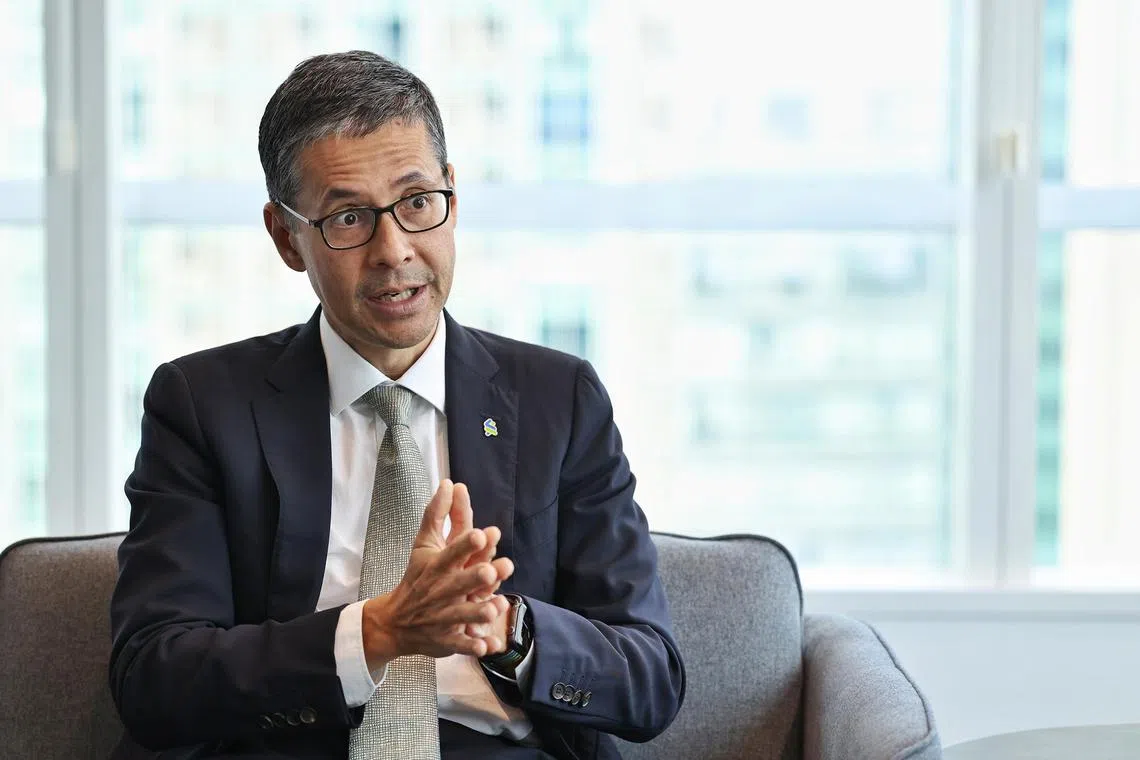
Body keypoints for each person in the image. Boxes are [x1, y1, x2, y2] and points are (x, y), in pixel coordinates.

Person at [108, 50, 685, 760]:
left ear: (451, 196)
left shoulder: (557, 399)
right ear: (286, 236)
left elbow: (650, 678)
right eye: (348, 217)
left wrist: (506, 629)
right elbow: (155, 677)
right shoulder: (202, 405)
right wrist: (380, 633)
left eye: (417, 204)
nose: (394, 250)